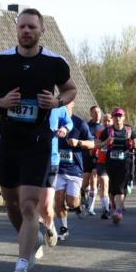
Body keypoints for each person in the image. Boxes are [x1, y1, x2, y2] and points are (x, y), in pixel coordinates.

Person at [0, 8, 76, 272]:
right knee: (12, 205)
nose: (26, 31)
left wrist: (56, 102)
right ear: (16, 30)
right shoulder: (0, 61)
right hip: (8, 141)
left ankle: (21, 267)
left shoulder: (54, 63)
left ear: (42, 30)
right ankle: (33, 239)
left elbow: (70, 90)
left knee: (30, 204)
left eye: (32, 27)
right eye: (22, 27)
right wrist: (0, 102)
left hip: (38, 143)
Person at [54, 100, 94, 241]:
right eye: (61, 103)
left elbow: (92, 143)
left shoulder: (80, 123)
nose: (63, 106)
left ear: (73, 104)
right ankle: (63, 229)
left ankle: (77, 206)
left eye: (67, 103)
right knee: (58, 200)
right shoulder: (54, 120)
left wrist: (79, 143)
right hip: (58, 168)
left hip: (75, 169)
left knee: (71, 202)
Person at [39, 102, 73, 248]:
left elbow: (69, 122)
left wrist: (65, 128)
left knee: (46, 207)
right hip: (29, 158)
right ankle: (35, 242)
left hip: (51, 160)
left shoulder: (58, 106)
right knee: (31, 204)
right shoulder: (27, 100)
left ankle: (50, 225)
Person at [93, 108, 135, 225]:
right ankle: (113, 206)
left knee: (120, 187)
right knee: (112, 188)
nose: (118, 118)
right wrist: (106, 142)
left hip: (124, 163)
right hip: (110, 163)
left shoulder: (129, 130)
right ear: (113, 118)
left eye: (120, 116)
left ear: (124, 117)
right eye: (115, 116)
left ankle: (118, 210)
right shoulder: (107, 131)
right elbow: (97, 145)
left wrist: (133, 143)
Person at [91, 112, 113, 217]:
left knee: (111, 188)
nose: (107, 123)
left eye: (109, 120)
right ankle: (106, 210)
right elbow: (96, 146)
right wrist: (105, 143)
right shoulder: (99, 133)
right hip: (102, 163)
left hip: (114, 163)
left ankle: (109, 205)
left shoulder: (118, 133)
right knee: (104, 184)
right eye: (105, 120)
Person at [81, 105, 102, 213]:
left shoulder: (103, 128)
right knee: (85, 182)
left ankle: (91, 207)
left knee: (94, 179)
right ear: (90, 114)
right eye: (94, 112)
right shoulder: (86, 126)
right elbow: (81, 141)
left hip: (98, 157)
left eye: (98, 112)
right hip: (87, 156)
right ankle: (82, 195)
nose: (97, 114)